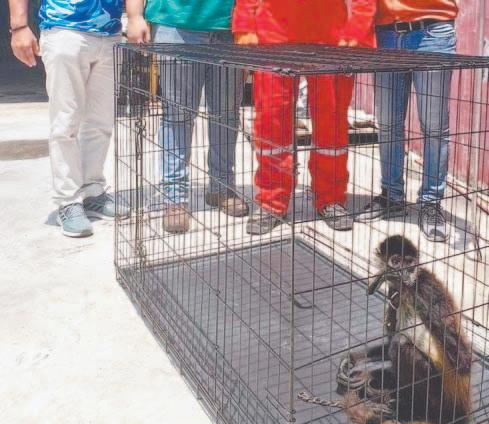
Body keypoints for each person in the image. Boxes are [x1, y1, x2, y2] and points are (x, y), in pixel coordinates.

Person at [233, 0, 376, 235]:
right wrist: (245, 24)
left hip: (330, 36)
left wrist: (358, 29)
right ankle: (271, 202)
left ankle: (331, 199)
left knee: (331, 124)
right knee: (271, 123)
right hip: (274, 36)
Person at [126, 0, 248, 234]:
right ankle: (175, 197)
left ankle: (222, 187)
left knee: (227, 114)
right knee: (177, 114)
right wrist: (134, 16)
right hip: (175, 22)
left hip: (230, 27)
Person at [8, 0, 127, 238]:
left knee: (100, 122)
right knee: (66, 123)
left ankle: (93, 191)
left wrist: (133, 18)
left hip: (110, 32)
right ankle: (68, 200)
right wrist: (19, 26)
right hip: (64, 29)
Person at [356, 1, 459, 242]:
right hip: (388, 33)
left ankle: (430, 203)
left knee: (434, 127)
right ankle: (391, 197)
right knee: (388, 124)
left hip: (433, 30)